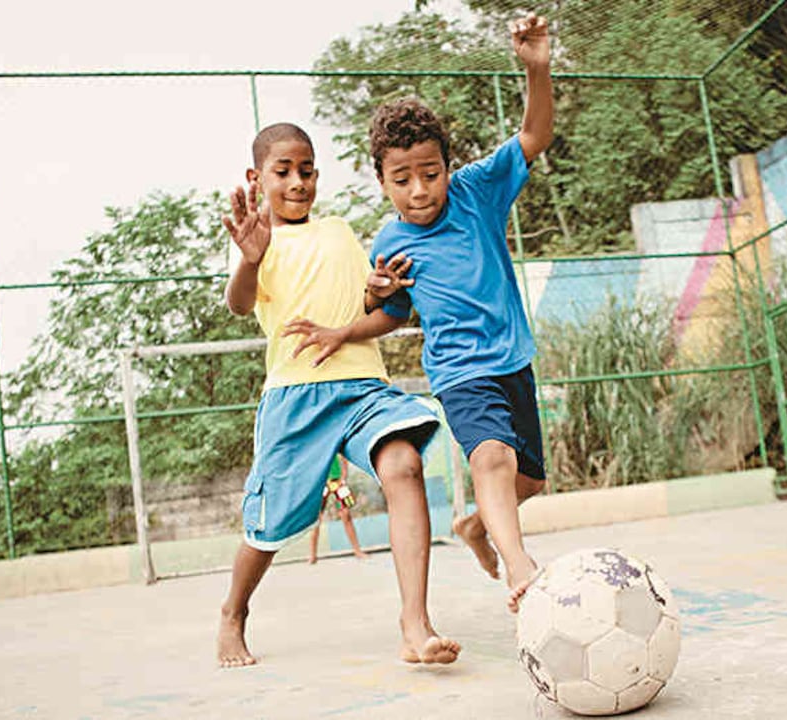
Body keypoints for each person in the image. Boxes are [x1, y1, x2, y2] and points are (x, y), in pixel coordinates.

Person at [215, 122, 460, 668]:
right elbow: (238, 304)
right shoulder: (259, 238)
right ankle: (234, 612)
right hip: (296, 397)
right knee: (268, 525)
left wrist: (382, 291)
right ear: (258, 178)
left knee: (404, 466)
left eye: (306, 171)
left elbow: (378, 315)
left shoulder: (338, 233)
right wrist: (250, 258)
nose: (297, 182)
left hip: (363, 389)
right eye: (283, 173)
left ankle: (414, 624)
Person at [360, 13, 554, 613]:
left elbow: (534, 135)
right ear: (383, 182)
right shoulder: (389, 244)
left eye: (430, 173)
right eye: (403, 179)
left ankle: (475, 526)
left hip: (512, 356)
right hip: (460, 371)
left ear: (448, 165)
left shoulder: (477, 191)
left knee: (530, 480)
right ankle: (521, 567)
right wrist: (371, 294)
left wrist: (537, 69)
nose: (420, 190)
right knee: (491, 457)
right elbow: (388, 310)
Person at [309, 454, 371, 563]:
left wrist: (344, 475)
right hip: (321, 482)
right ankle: (312, 556)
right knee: (316, 517)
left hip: (337, 481)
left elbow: (343, 457)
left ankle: (357, 551)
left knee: (346, 514)